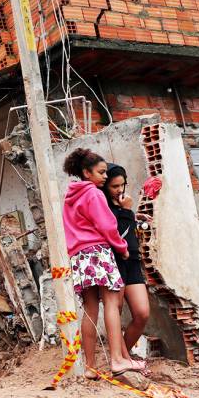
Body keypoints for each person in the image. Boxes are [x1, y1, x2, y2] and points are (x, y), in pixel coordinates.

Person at [61, 148, 145, 377]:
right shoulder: (94, 194)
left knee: (89, 310)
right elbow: (107, 226)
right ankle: (117, 360)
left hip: (78, 256)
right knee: (111, 304)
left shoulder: (70, 197)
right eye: (101, 172)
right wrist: (122, 248)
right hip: (97, 251)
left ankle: (89, 367)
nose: (105, 176)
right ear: (86, 173)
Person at [103, 164, 152, 358]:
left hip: (132, 261)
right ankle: (121, 359)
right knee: (116, 311)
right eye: (115, 186)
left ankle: (124, 355)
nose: (120, 190)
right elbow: (118, 233)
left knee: (142, 313)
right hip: (115, 261)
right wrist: (127, 211)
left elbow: (127, 227)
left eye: (123, 185)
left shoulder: (122, 206)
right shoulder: (103, 206)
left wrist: (132, 215)